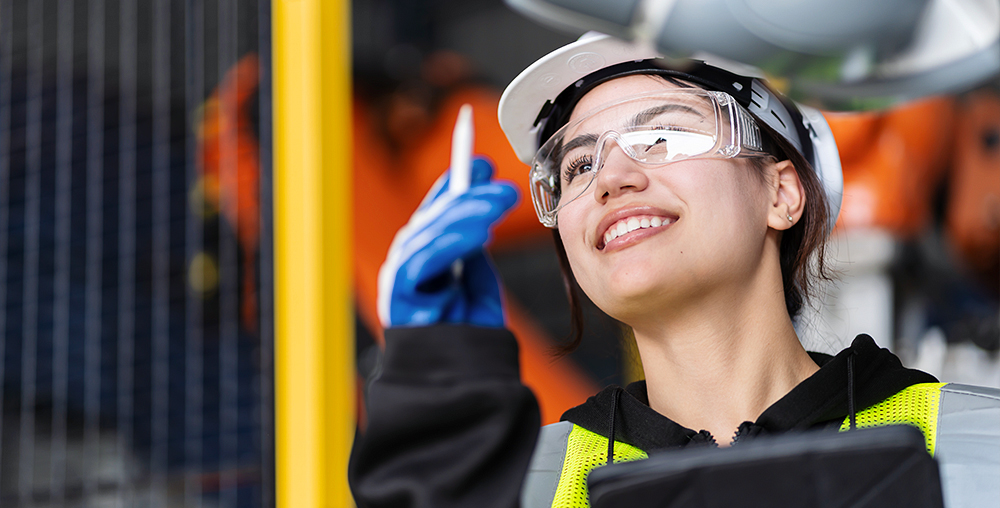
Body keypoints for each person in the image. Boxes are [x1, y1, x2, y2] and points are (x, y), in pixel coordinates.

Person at [349, 33, 1000, 508]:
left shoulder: (979, 444)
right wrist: (432, 407)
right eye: (577, 167)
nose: (612, 179)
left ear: (781, 193)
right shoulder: (522, 485)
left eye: (661, 135)